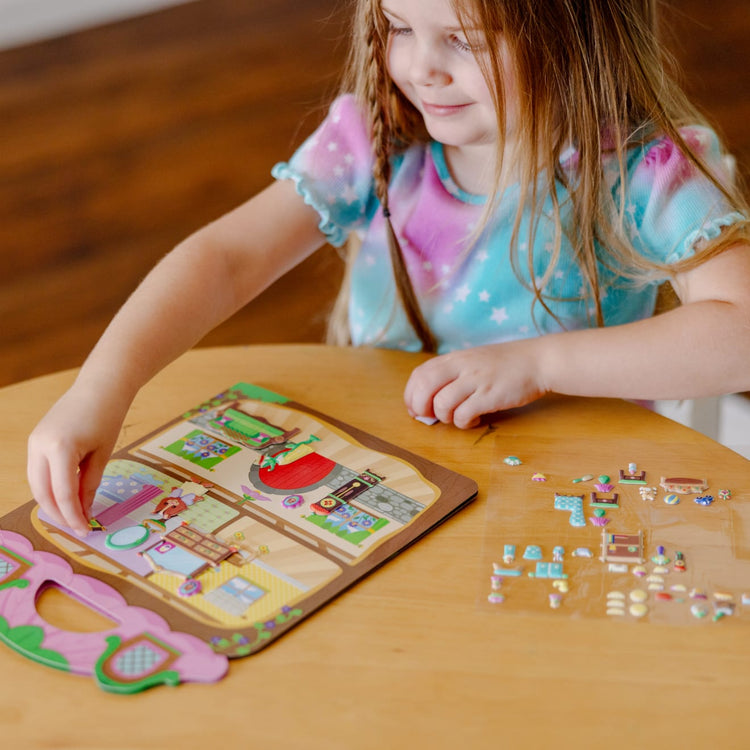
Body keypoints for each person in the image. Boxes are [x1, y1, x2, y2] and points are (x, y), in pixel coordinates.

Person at [27, 0, 750, 537]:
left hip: (559, 507)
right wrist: (102, 388)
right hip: (369, 491)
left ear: (577, 28)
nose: (418, 68)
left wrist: (537, 363)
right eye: (398, 26)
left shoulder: (648, 171)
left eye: (461, 40)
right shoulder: (373, 136)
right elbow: (225, 259)